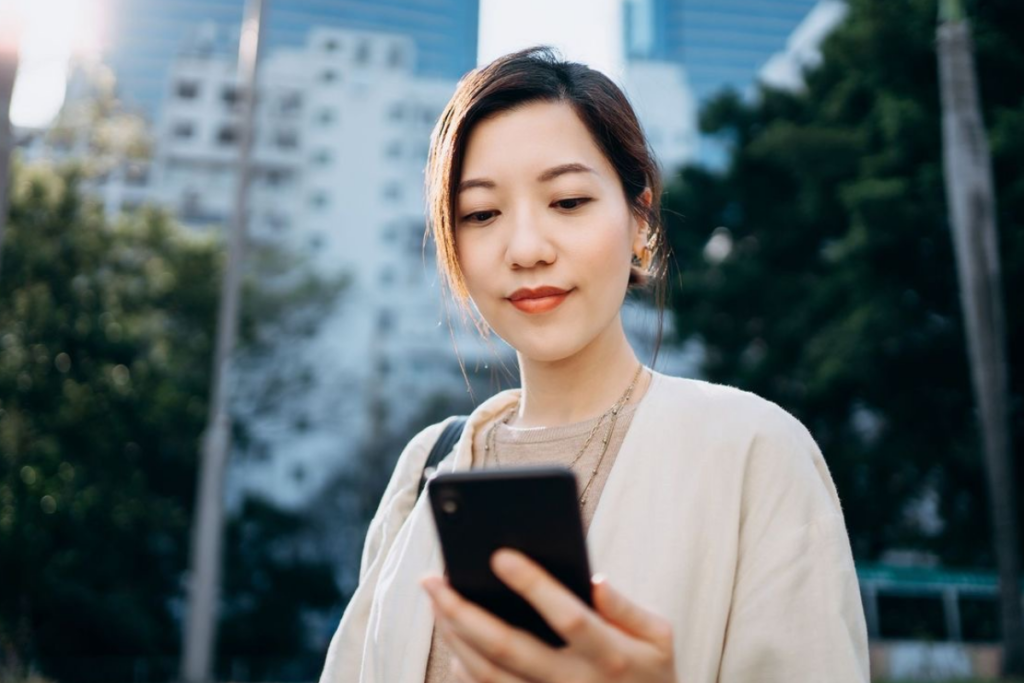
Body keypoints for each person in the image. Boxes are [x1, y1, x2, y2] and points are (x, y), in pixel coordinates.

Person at [319, 47, 869, 683]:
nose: (526, 248)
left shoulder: (754, 449)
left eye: (569, 201)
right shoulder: (427, 467)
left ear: (641, 219)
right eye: (482, 214)